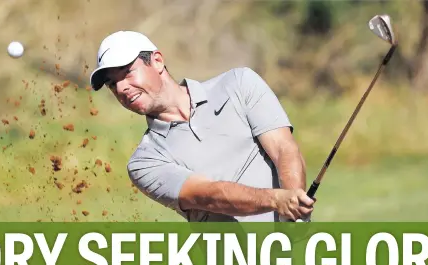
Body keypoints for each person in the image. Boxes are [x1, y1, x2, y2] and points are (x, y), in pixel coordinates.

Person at [89, 31, 316, 222]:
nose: (121, 88)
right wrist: (277, 200)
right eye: (112, 84)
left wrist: (294, 208)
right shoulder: (145, 162)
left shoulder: (239, 84)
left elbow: (284, 148)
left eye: (127, 73)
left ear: (157, 61)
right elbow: (208, 195)